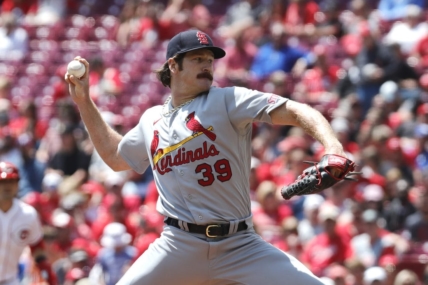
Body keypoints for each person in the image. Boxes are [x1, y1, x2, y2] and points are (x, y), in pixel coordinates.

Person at [65, 29, 352, 284]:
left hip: (240, 245)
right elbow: (116, 158)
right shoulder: (151, 119)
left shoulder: (228, 100)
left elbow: (295, 109)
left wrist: (333, 148)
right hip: (178, 244)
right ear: (172, 65)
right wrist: (84, 101)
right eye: (197, 59)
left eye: (209, 60)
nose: (207, 66)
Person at [0, 161, 56, 284]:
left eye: (11, 181)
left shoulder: (27, 214)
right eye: (3, 182)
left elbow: (37, 249)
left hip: (11, 280)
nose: (7, 186)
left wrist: (47, 273)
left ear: (18, 185)